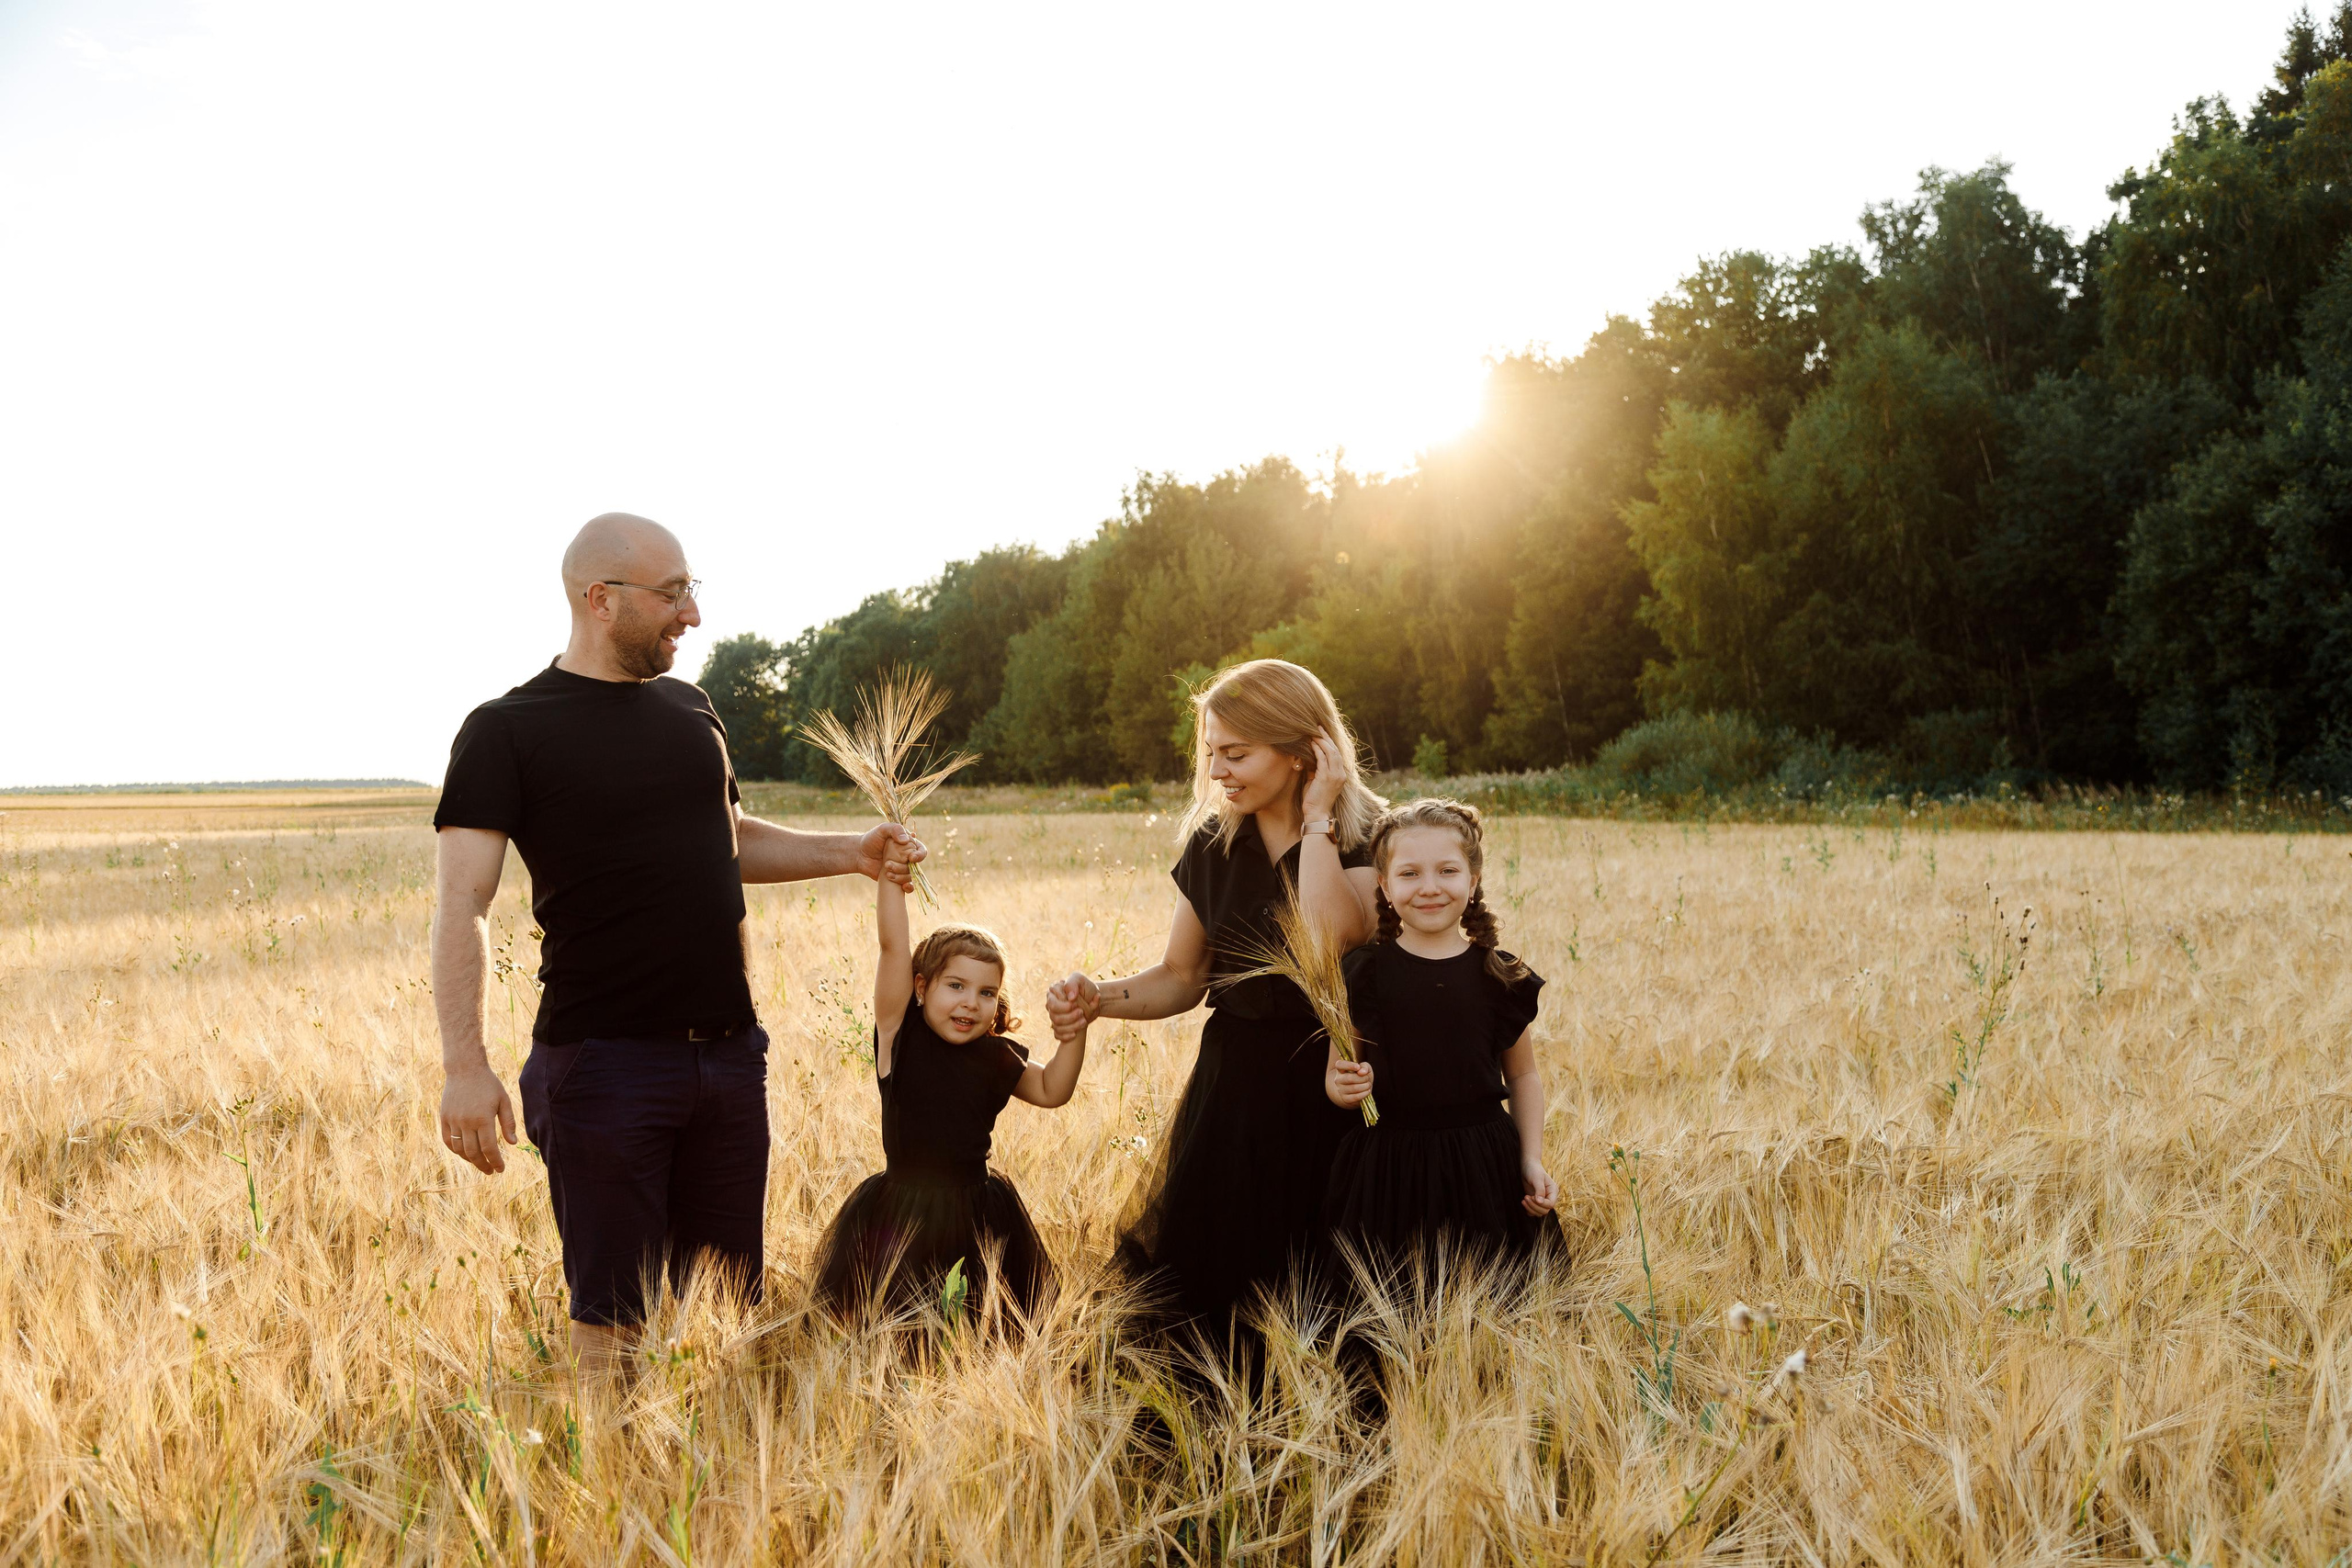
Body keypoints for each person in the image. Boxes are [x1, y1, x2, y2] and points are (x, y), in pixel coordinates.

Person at [431, 512, 923, 1369]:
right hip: (604, 1064)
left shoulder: (690, 707)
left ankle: (720, 1491)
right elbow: (462, 903)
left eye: (692, 590)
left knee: (730, 1309)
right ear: (601, 599)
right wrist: (464, 1066)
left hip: (730, 1059)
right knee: (612, 1320)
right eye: (673, 593)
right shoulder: (504, 731)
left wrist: (852, 851)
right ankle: (612, 1496)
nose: (691, 614)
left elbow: (726, 841)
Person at [1048, 659, 1387, 1328]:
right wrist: (1098, 995)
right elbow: (1181, 975)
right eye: (1211, 755)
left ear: (1302, 752)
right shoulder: (1214, 842)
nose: (1217, 774)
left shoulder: (1374, 834)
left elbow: (1333, 939)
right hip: (1237, 1093)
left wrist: (1316, 821)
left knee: (1332, 1294)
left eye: (1235, 754)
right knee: (1219, 1297)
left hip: (1344, 1087)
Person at [809, 869, 1088, 1320]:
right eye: (955, 986)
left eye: (986, 993)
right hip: (900, 1216)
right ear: (921, 988)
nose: (970, 1003)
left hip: (977, 1215)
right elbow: (892, 948)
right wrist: (890, 875)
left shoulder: (994, 1058)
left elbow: (1052, 1088)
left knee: (980, 1327)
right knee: (896, 1327)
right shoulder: (899, 1035)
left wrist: (1074, 1031)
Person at [1323, 798, 1561, 1279]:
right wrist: (1344, 1089)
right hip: (1389, 1168)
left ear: (1472, 882)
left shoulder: (1502, 975)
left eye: (1447, 871)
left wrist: (1531, 1159)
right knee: (1388, 1300)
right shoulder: (1362, 974)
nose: (1429, 888)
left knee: (1492, 1309)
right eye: (1409, 874)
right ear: (1384, 886)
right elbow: (1335, 1075)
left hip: (1483, 1165)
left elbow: (1524, 1076)